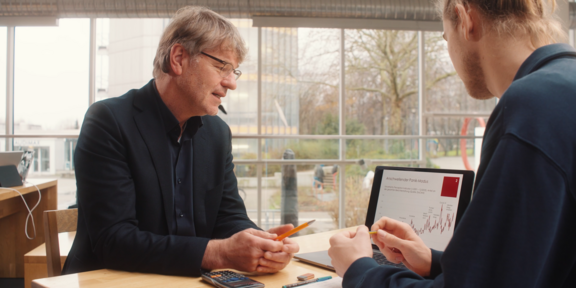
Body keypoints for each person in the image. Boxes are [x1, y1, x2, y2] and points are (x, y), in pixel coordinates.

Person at [328, 0, 576, 287]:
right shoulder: (563, 91)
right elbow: (529, 266)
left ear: (465, 17)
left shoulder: (532, 109)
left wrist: (359, 269)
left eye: (446, 37)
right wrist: (435, 262)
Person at [63, 6, 299, 277]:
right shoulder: (108, 121)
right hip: (112, 280)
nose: (231, 83)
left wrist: (259, 243)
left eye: (234, 71)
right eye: (221, 66)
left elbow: (228, 216)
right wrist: (219, 253)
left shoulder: (218, 134)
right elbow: (114, 240)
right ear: (178, 58)